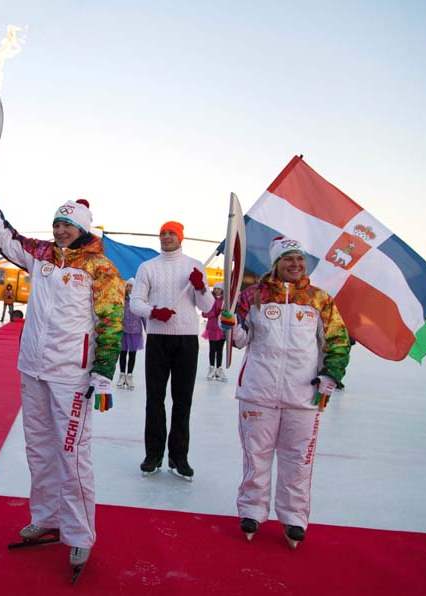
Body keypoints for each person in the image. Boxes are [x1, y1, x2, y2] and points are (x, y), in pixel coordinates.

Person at [0, 181, 124, 576]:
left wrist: (104, 373)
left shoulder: (99, 268)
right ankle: (48, 518)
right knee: (39, 450)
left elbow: (112, 322)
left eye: (68, 225)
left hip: (71, 376)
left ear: (84, 229)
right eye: (57, 223)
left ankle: (79, 535)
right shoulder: (39, 255)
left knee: (72, 455)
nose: (60, 230)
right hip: (33, 368)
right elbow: (4, 236)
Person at [220, 236, 349, 547]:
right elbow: (239, 339)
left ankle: (293, 517)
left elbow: (338, 340)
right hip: (258, 391)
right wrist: (228, 324)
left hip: (303, 395)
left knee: (298, 460)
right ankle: (252, 510)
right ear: (276, 264)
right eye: (288, 259)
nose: (295, 264)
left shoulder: (319, 299)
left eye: (299, 259)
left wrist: (331, 373)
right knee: (256, 456)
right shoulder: (254, 296)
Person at [130, 221, 213, 480]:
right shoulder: (148, 267)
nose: (166, 237)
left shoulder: (195, 265)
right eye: (163, 233)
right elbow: (136, 303)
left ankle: (179, 458)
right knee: (154, 399)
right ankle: (153, 455)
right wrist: (154, 312)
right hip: (158, 339)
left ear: (181, 237)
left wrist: (200, 287)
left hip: (186, 340)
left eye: (171, 233)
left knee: (182, 400)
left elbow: (208, 307)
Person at [117, 277, 145, 390]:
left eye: (131, 286)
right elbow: (117, 312)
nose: (129, 288)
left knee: (132, 354)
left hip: (135, 331)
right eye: (128, 286)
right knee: (122, 353)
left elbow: (143, 315)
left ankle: (129, 376)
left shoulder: (138, 301)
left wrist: (149, 329)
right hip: (123, 330)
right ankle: (122, 375)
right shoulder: (121, 300)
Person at [202, 282, 226, 381]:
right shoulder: (210, 299)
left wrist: (223, 313)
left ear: (222, 290)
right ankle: (211, 368)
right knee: (212, 349)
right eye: (215, 288)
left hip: (222, 328)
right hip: (212, 327)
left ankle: (219, 369)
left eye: (219, 288)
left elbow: (229, 311)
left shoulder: (225, 301)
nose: (217, 290)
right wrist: (214, 313)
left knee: (220, 350)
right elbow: (205, 312)